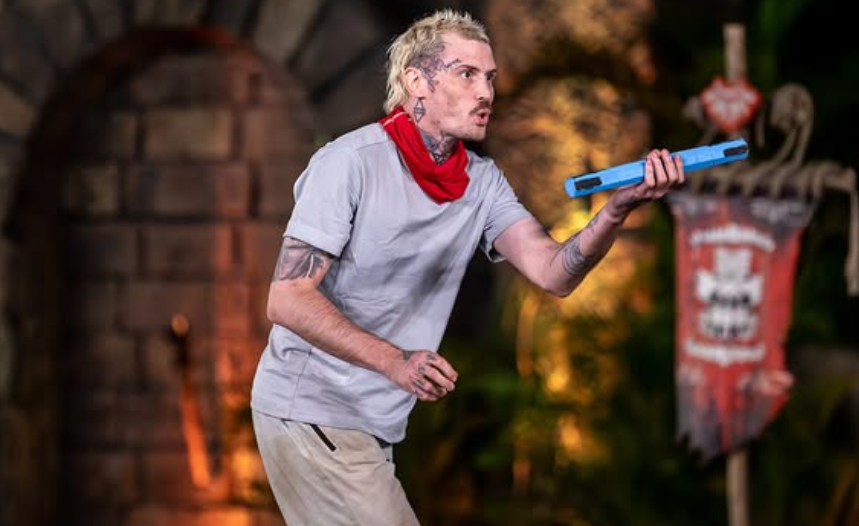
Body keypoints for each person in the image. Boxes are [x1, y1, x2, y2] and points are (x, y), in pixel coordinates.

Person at [250, 8, 684, 526]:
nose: (486, 93)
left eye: (490, 78)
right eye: (466, 74)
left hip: (369, 424)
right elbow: (287, 298)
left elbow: (554, 272)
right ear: (417, 82)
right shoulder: (350, 162)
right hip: (310, 411)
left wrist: (616, 210)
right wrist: (395, 361)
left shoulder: (481, 183)